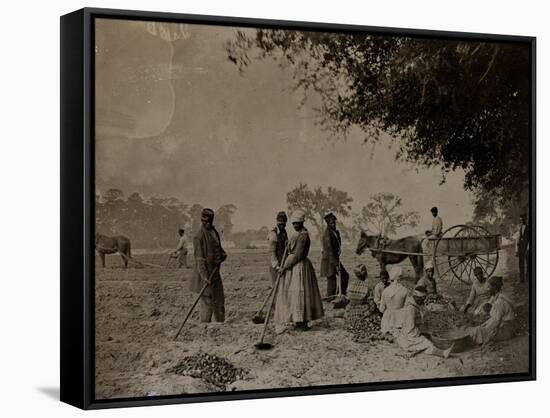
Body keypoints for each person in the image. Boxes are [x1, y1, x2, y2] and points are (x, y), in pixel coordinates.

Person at [274, 210, 324, 331]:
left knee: (300, 293)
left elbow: (297, 255)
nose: (295, 225)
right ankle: (298, 320)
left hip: (300, 267)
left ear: (302, 223)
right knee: (296, 294)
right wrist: (289, 244)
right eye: (294, 223)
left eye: (297, 223)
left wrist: (284, 267)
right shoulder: (299, 234)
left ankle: (302, 322)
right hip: (295, 266)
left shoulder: (303, 235)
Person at [190, 208, 227, 323]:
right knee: (207, 302)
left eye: (208, 221)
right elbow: (200, 260)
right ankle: (204, 329)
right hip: (205, 276)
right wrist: (205, 277)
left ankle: (220, 326)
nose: (206, 223)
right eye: (204, 221)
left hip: (215, 273)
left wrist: (223, 255)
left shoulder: (214, 232)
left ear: (212, 220)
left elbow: (219, 249)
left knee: (219, 301)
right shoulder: (199, 236)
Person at [396, 286, 454, 358]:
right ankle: (442, 353)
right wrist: (421, 333)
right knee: (427, 344)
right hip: (408, 336)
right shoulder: (410, 309)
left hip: (410, 332)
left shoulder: (415, 305)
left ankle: (442, 353)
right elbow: (410, 328)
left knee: (426, 343)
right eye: (422, 298)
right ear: (416, 297)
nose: (423, 301)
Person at [468, 276, 516, 345]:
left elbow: (495, 322)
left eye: (489, 287)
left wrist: (485, 330)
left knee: (479, 332)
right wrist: (484, 325)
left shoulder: (499, 302)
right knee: (479, 329)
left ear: (495, 287)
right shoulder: (499, 297)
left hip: (506, 331)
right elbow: (494, 318)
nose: (488, 289)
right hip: (506, 327)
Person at [320, 212, 349, 297]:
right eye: (331, 223)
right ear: (328, 224)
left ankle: (341, 294)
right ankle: (331, 297)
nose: (333, 224)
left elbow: (337, 245)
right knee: (332, 279)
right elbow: (330, 251)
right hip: (329, 260)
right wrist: (336, 264)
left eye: (334, 222)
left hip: (334, 258)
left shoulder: (335, 232)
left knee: (344, 275)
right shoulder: (327, 235)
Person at [379, 266, 409, 335]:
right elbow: (407, 308)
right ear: (400, 277)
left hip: (386, 322)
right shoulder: (405, 290)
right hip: (400, 320)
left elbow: (381, 309)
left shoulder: (385, 291)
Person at [267, 211, 289, 284]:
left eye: (284, 224)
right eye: (280, 224)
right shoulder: (273, 234)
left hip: (283, 263)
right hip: (275, 265)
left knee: (283, 286)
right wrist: (277, 267)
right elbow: (272, 253)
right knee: (276, 286)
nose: (282, 226)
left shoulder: (284, 232)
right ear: (277, 222)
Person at [516, 214, 529, 283]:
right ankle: (522, 280)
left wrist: (528, 248)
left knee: (528, 263)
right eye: (521, 220)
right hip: (521, 247)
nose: (521, 221)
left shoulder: (529, 227)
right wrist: (517, 249)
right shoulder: (520, 228)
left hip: (526, 247)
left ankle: (528, 278)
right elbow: (518, 238)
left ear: (525, 219)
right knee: (521, 263)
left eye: (523, 219)